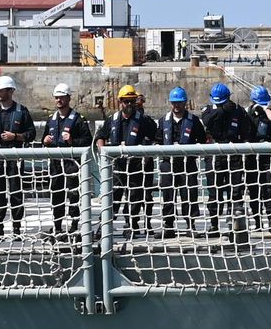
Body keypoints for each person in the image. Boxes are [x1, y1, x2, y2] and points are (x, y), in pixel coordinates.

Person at [95, 84, 160, 238]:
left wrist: (148, 153)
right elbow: (100, 137)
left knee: (135, 197)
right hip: (117, 166)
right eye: (126, 101)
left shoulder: (143, 120)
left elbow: (156, 137)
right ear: (120, 102)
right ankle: (104, 226)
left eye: (132, 101)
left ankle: (131, 225)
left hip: (136, 166)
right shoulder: (113, 120)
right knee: (113, 197)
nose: (129, 105)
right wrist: (103, 152)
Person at [0, 75, 36, 238]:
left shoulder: (22, 111)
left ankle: (16, 229)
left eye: (1, 91)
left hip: (16, 156)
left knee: (16, 193)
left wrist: (16, 136)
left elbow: (31, 134)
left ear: (10, 91)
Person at [201, 83, 254, 238]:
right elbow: (207, 121)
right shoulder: (208, 110)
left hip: (234, 155)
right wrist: (221, 110)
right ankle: (214, 224)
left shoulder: (238, 111)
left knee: (235, 191)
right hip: (214, 154)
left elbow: (247, 130)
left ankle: (234, 225)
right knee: (214, 192)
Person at [40, 82, 92, 233]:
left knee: (74, 194)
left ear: (68, 98)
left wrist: (72, 141)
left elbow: (87, 140)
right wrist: (45, 141)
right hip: (55, 164)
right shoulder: (51, 119)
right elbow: (44, 138)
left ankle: (74, 225)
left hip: (71, 163)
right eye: (56, 98)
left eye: (62, 97)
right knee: (57, 195)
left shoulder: (78, 119)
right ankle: (57, 226)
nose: (58, 100)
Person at [159, 87, 208, 237]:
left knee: (189, 194)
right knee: (168, 194)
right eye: (174, 103)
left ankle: (190, 225)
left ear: (185, 102)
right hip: (168, 163)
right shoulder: (163, 121)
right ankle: (168, 226)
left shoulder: (193, 121)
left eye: (179, 103)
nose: (176, 106)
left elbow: (203, 140)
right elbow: (157, 140)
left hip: (188, 163)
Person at [247, 87, 271, 230]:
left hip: (268, 155)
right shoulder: (248, 114)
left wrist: (265, 109)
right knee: (254, 189)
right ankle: (257, 221)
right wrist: (254, 109)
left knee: (269, 188)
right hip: (252, 156)